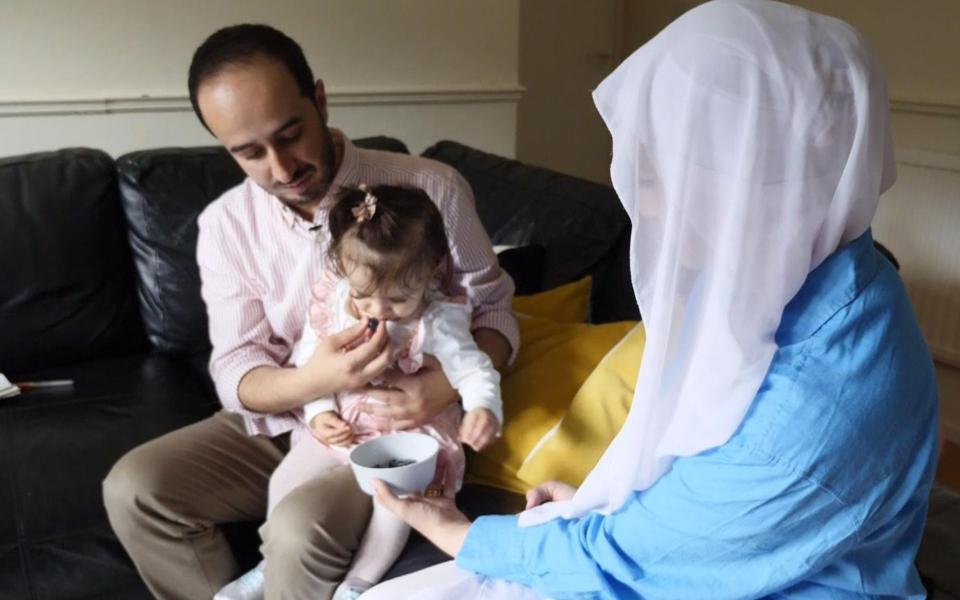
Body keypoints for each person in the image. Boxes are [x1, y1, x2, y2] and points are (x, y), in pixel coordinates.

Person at [364, 1, 940, 598]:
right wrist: (613, 501)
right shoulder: (842, 275)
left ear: (753, 178)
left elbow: (628, 559)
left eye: (667, 170)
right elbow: (709, 453)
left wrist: (460, 532)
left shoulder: (809, 413)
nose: (647, 202)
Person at [101, 24, 517, 600]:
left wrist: (445, 387)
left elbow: (494, 308)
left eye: (290, 134)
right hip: (294, 411)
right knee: (134, 488)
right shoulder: (225, 226)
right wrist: (315, 382)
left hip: (391, 421)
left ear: (319, 100)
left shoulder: (430, 188)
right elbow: (237, 368)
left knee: (299, 530)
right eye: (249, 153)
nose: (280, 167)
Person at [217, 184, 503, 600]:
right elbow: (310, 362)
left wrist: (482, 408)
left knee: (396, 508)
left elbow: (474, 370)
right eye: (363, 295)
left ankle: (358, 584)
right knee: (285, 479)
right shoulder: (335, 302)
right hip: (349, 420)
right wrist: (318, 412)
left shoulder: (439, 320)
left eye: (399, 299)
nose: (378, 311)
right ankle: (268, 565)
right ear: (341, 271)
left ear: (433, 271)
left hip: (409, 432)